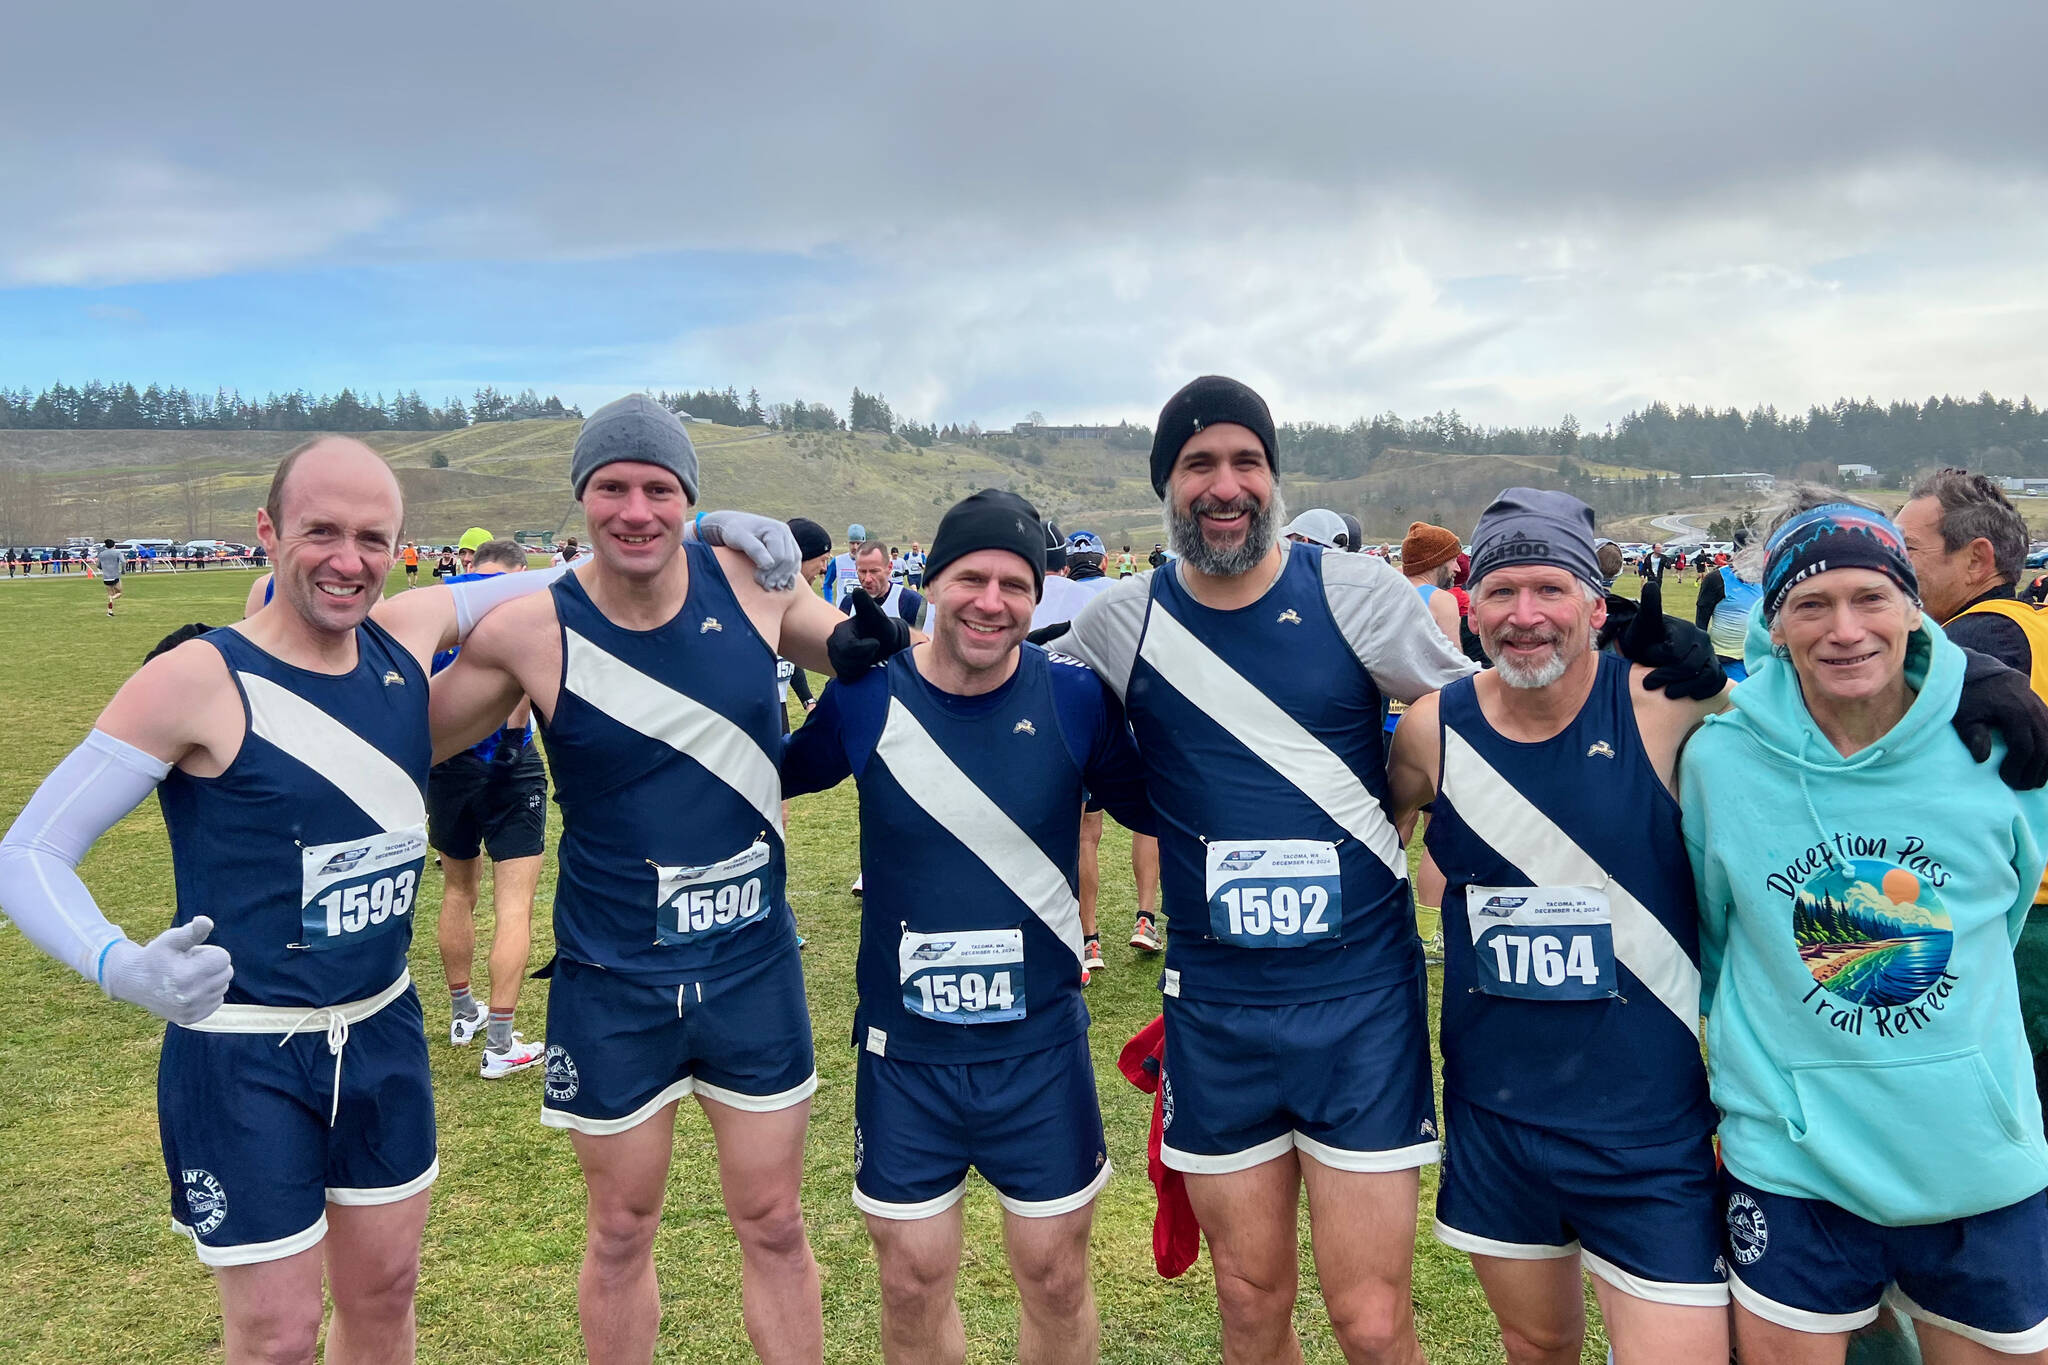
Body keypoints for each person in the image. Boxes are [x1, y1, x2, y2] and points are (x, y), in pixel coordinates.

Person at [0, 437, 591, 1362]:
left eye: (371, 537)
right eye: (321, 531)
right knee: (275, 1335)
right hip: (244, 1056)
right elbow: (30, 849)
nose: (347, 560)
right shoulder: (197, 676)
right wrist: (117, 962)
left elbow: (574, 573)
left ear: (399, 548)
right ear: (269, 531)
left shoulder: (406, 633)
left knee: (387, 1301)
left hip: (382, 1032)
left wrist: (712, 527)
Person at [428, 395, 906, 1365]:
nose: (635, 509)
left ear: (689, 499)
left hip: (749, 970)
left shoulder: (744, 579)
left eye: (660, 488)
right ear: (581, 499)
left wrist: (861, 638)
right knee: (618, 1230)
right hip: (612, 980)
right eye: (612, 488)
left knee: (773, 1221)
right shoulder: (530, 631)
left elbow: (836, 643)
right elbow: (401, 739)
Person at [1056, 376, 1477, 1362]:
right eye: (1198, 464)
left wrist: (1618, 672)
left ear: (1273, 477)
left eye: (1245, 461)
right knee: (1249, 1306)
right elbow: (993, 686)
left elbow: (1494, 728)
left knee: (1370, 1322)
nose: (1224, 484)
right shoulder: (1122, 621)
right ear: (1167, 484)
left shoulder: (1354, 592)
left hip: (1357, 1005)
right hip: (1216, 1012)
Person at [783, 488, 1154, 1365]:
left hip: (1040, 1053)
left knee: (1057, 1277)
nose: (993, 600)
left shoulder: (1077, 700)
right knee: (911, 1280)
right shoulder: (865, 697)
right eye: (972, 577)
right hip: (906, 1055)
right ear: (933, 583)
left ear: (1037, 593)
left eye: (1015, 583)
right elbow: (760, 776)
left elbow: (1169, 805)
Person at [1683, 488, 2048, 1360]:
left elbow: (2006, 910)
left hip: (1974, 1156)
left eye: (1871, 597)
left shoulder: (1996, 749)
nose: (1844, 629)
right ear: (1775, 624)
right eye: (1811, 603)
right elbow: (1718, 935)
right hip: (1794, 1162)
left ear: (1912, 607)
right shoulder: (1722, 762)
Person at [1386, 490, 1732, 1364]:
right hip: (1498, 1116)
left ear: (1593, 601)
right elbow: (1377, 838)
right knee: (1537, 1344)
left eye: (1550, 588)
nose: (1525, 616)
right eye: (1501, 591)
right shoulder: (1434, 730)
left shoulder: (1664, 703)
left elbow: (1831, 710)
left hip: (1649, 1127)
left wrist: (1722, 670)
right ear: (1471, 604)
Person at [1899, 468, 2048, 1107]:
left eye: (1906, 552)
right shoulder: (2030, 621)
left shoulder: (1981, 637)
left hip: (2024, 918)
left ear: (1976, 559)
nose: (1891, 571)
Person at [428, 538, 550, 1079]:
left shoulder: (438, 601)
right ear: (520, 570)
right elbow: (523, 684)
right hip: (507, 760)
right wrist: (510, 740)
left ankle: (462, 1013)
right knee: (514, 906)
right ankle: (500, 1042)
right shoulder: (517, 603)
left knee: (457, 889)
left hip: (445, 764)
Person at [1695, 526, 1765, 682]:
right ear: (1738, 553)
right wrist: (1700, 657)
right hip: (1726, 659)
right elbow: (1701, 620)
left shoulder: (1766, 578)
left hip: (1759, 658)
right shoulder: (1717, 579)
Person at [847, 541, 926, 628]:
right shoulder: (848, 603)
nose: (867, 579)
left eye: (874, 571)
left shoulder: (911, 602)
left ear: (889, 567)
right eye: (862, 571)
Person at [821, 523, 868, 605]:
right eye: (852, 543)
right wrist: (829, 604)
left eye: (858, 543)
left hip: (864, 612)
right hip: (843, 612)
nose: (855, 547)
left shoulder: (870, 561)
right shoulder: (837, 561)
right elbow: (827, 584)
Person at [98, 538, 124, 616]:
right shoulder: (117, 552)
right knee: (119, 593)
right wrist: (123, 570)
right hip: (115, 576)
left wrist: (104, 568)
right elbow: (123, 561)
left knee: (110, 594)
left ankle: (110, 611)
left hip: (106, 577)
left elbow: (98, 565)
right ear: (114, 545)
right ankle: (112, 598)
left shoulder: (101, 554)